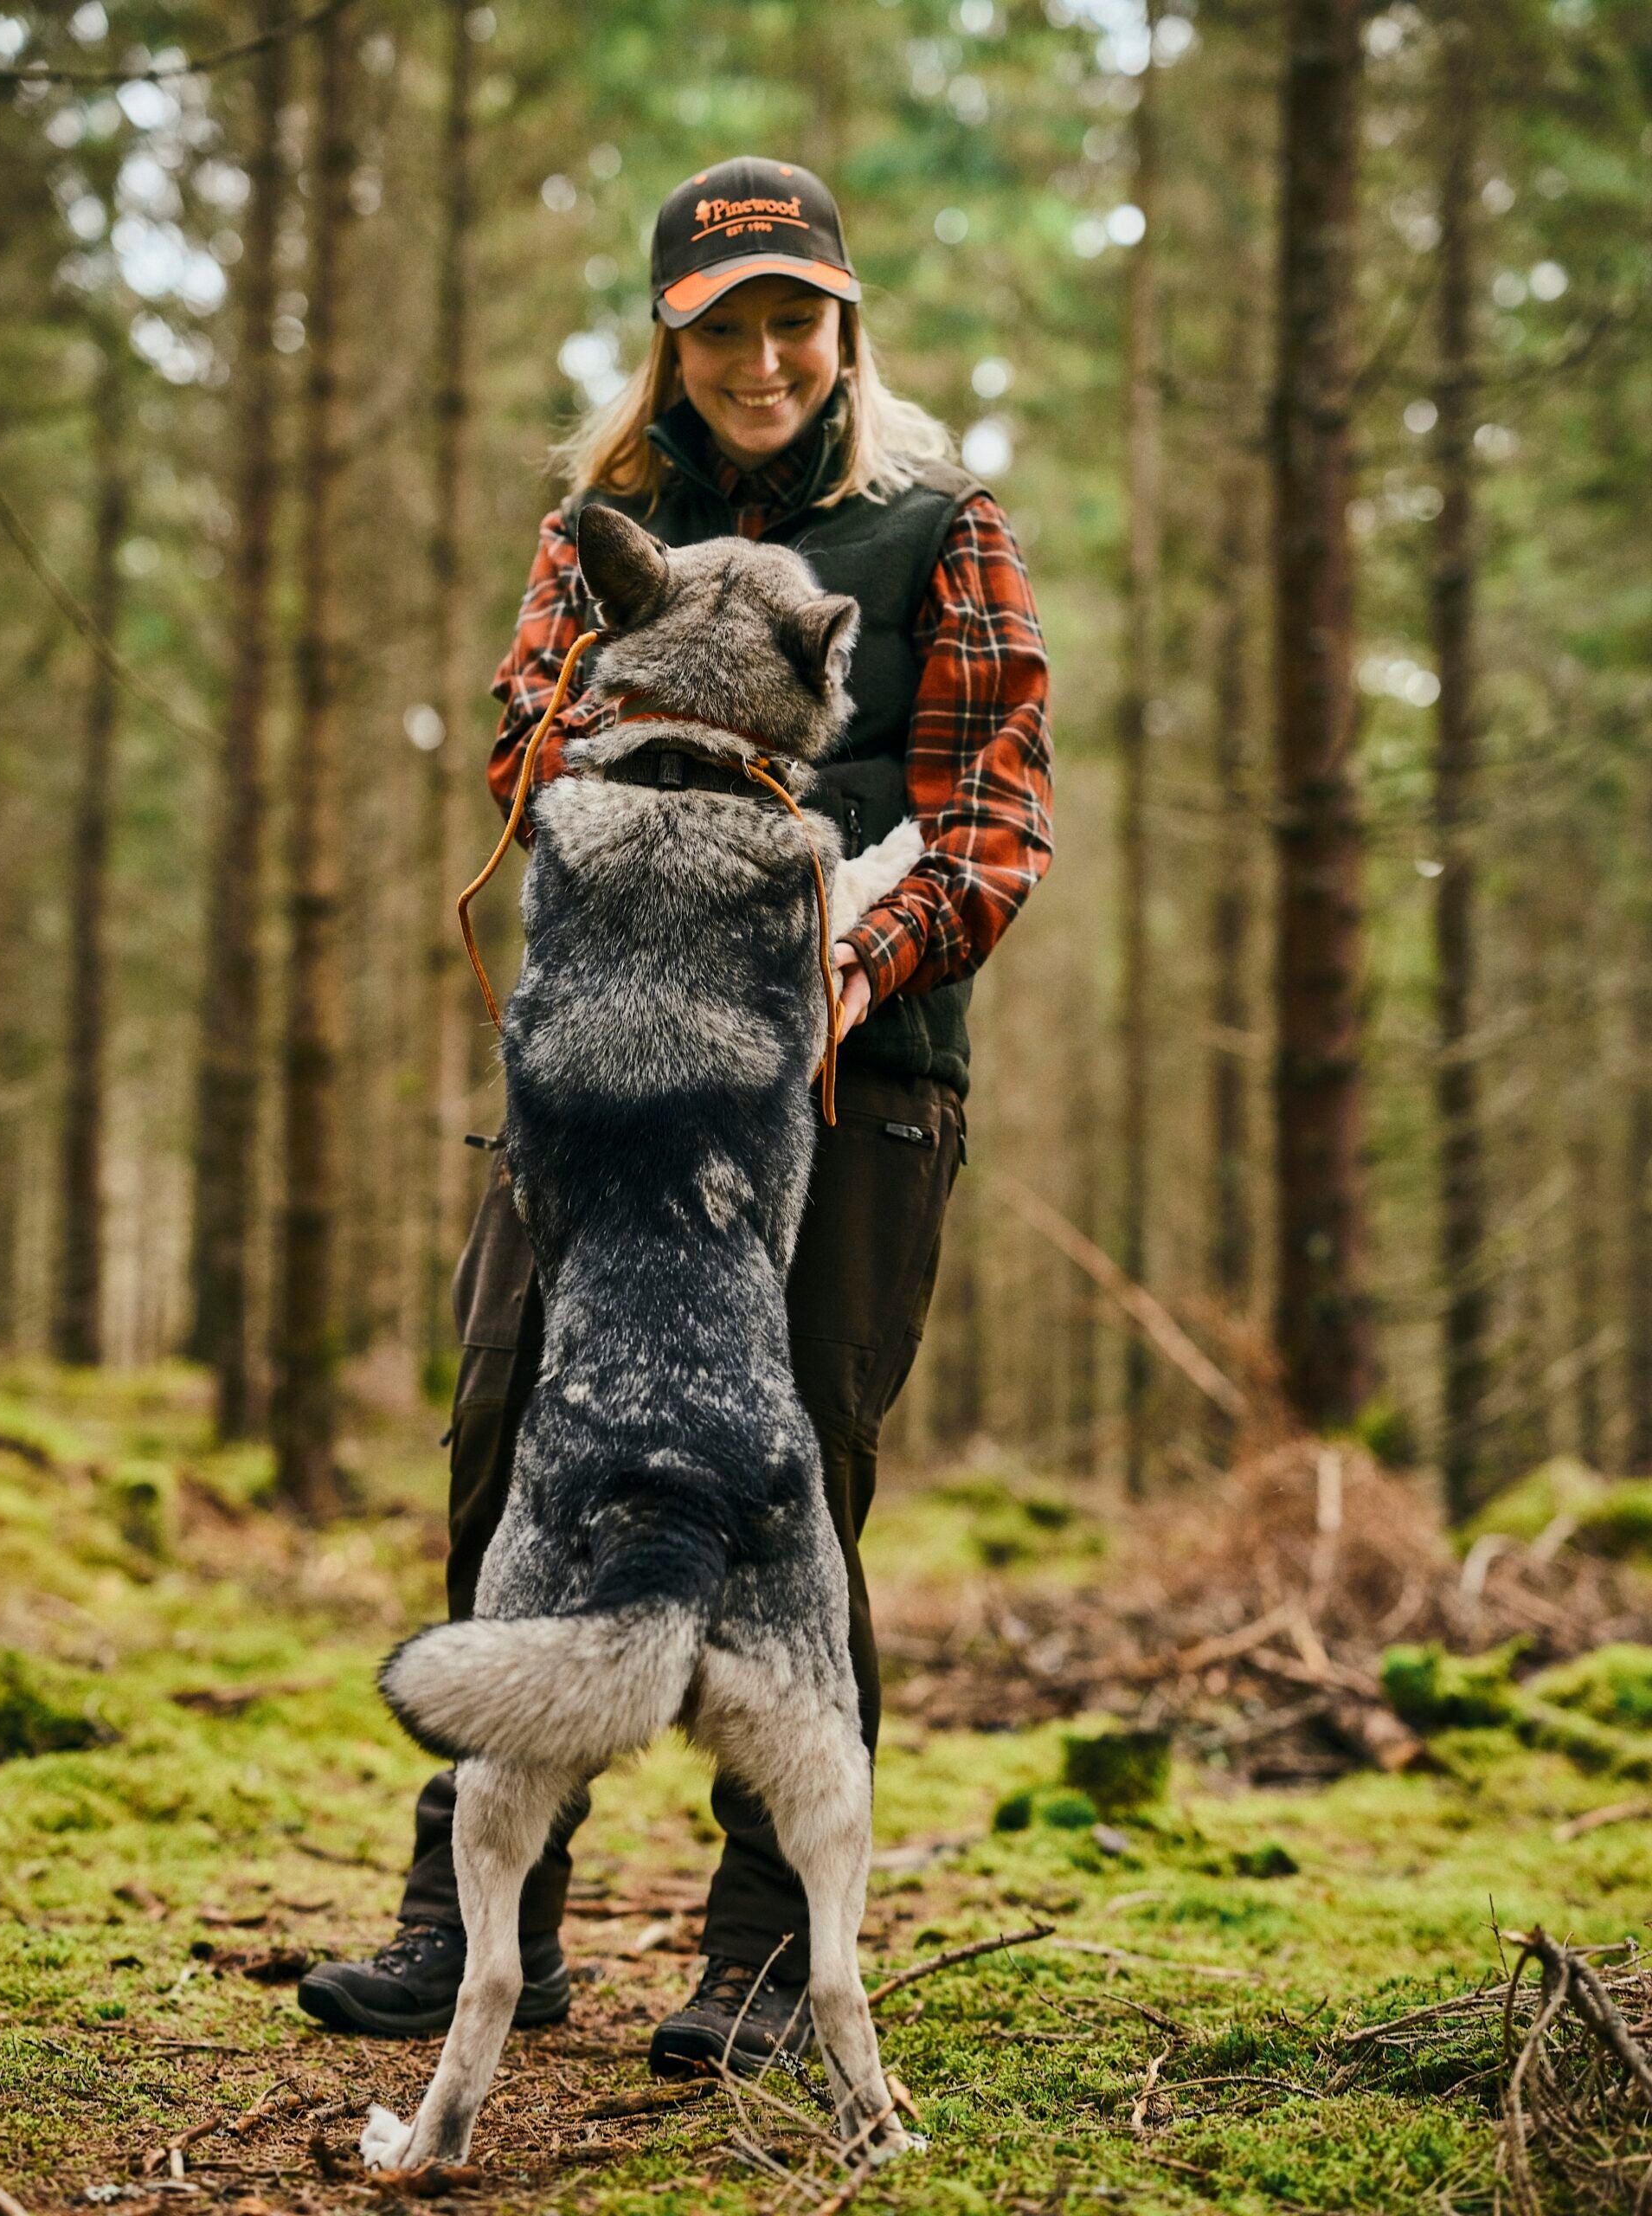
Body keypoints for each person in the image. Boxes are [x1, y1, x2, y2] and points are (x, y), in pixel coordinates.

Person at [299, 155, 1052, 2073]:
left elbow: (992, 815)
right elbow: (517, 743)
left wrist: (855, 968)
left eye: (798, 317)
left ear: (843, 328)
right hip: (608, 1070)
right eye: (727, 323)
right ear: (674, 339)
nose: (766, 354)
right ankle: (479, 1915)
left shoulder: (939, 527)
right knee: (503, 1422)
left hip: (855, 1083)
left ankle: (771, 1953)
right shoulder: (600, 526)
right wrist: (636, 713)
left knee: (797, 1460)